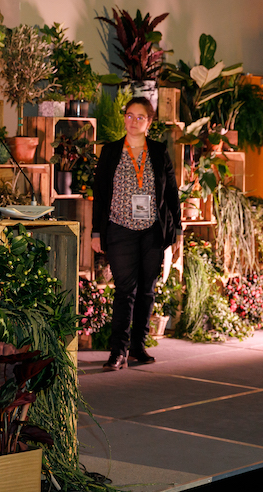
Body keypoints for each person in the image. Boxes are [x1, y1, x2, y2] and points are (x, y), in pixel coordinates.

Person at [91, 97, 181, 371]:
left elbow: (171, 192)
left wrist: (177, 230)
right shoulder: (111, 151)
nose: (133, 121)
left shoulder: (158, 151)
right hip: (120, 229)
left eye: (140, 117)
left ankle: (138, 347)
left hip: (152, 230)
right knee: (124, 291)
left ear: (149, 122)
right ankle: (117, 351)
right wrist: (96, 231)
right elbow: (100, 193)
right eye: (129, 115)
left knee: (146, 291)